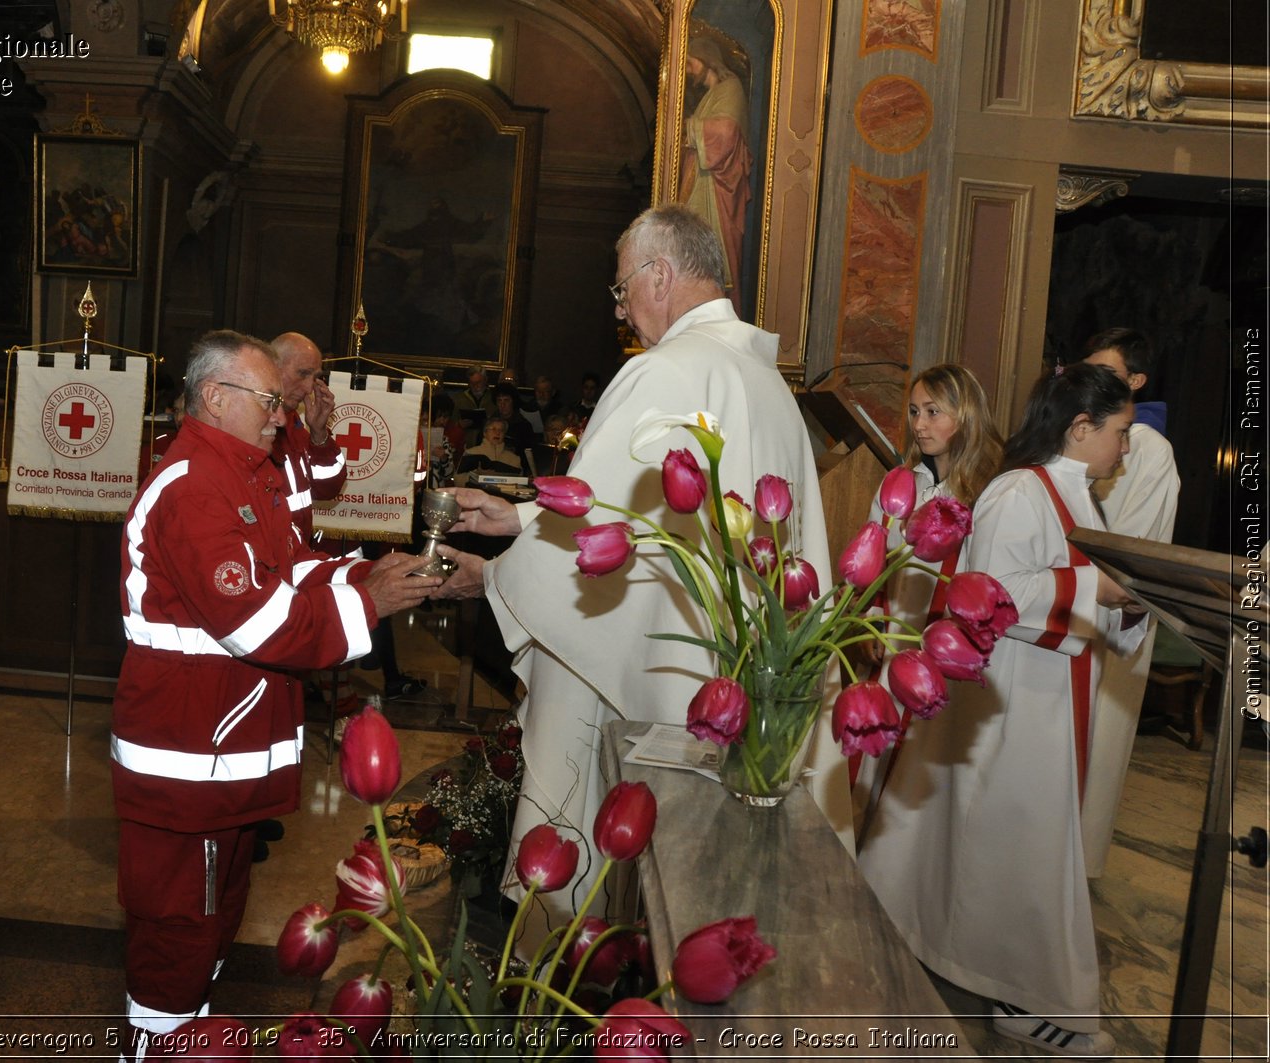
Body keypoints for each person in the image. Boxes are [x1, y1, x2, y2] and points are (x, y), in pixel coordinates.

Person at [431, 205, 834, 911]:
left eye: (621, 291)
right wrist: (523, 514)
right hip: (736, 675)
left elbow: (611, 531)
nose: (622, 312)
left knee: (631, 881)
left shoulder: (668, 371)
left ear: (661, 274)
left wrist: (492, 573)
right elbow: (643, 506)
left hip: (668, 679)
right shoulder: (765, 382)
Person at [110, 330, 439, 1060]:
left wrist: (366, 574)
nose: (279, 414)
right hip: (185, 751)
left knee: (215, 914)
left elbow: (286, 569)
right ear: (216, 397)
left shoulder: (243, 468)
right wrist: (370, 608)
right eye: (266, 400)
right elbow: (255, 620)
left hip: (222, 748)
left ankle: (189, 1035)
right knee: (176, 924)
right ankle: (154, 1046)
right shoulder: (195, 483)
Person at [858, 363, 1146, 1058]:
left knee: (996, 848)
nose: (1126, 448)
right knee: (1019, 851)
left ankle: (992, 973)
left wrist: (1127, 606)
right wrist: (1094, 590)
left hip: (1044, 695)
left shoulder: (1074, 494)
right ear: (1080, 428)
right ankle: (1033, 997)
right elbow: (988, 590)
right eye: (1121, 433)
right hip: (1013, 698)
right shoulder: (1019, 491)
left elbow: (1086, 591)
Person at [851, 365, 1004, 841]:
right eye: (915, 412)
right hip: (898, 638)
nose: (920, 424)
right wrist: (873, 617)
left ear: (966, 415)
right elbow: (872, 551)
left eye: (934, 412)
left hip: (947, 645)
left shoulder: (989, 490)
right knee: (880, 761)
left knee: (926, 767)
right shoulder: (900, 484)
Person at [1070, 329, 1179, 879]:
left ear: (1135, 382)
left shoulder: (1150, 450)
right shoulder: (1076, 430)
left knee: (1096, 753)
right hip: (1072, 607)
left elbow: (1134, 547)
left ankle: (1075, 873)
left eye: (1108, 373)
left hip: (1113, 619)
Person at [678, 35, 754, 311]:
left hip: (718, 189)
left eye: (690, 63)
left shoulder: (730, 88)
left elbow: (726, 134)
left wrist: (688, 128)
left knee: (715, 259)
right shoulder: (710, 96)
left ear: (707, 59)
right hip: (702, 183)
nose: (687, 69)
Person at [268, 332, 346, 548]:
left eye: (315, 376)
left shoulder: (296, 426)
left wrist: (319, 433)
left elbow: (328, 489)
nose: (309, 387)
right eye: (302, 374)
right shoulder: (248, 426)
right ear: (271, 367)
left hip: (297, 553)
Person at [453, 416, 529, 485]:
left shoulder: (514, 459)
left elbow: (520, 484)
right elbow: (458, 481)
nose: (497, 433)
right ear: (485, 433)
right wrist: (476, 475)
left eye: (501, 430)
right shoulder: (471, 453)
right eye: (493, 429)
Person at [451, 367, 495, 445]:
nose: (475, 386)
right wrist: (459, 424)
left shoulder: (494, 398)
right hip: (465, 442)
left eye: (478, 382)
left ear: (485, 380)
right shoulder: (458, 399)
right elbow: (450, 424)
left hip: (489, 444)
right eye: (472, 383)